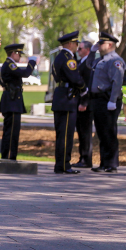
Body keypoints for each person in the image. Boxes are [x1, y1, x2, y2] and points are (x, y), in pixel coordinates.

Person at [51, 31, 87, 174]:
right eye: (76, 43)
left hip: (61, 97)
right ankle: (64, 165)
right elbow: (75, 77)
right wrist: (84, 89)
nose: (77, 46)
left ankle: (60, 164)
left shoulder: (59, 57)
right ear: (70, 44)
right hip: (67, 99)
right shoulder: (68, 58)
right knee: (66, 134)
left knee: (61, 134)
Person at [89, 31, 125, 173]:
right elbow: (88, 64)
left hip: (108, 99)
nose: (99, 45)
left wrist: (112, 100)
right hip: (98, 99)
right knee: (101, 132)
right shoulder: (100, 59)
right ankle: (104, 162)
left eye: (101, 43)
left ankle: (112, 163)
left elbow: (117, 82)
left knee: (109, 131)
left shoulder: (115, 61)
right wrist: (92, 52)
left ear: (110, 44)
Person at [0, 44, 38, 160]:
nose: (20, 56)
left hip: (13, 100)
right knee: (11, 132)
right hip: (12, 101)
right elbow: (25, 74)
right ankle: (9, 157)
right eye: (18, 53)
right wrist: (31, 62)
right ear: (13, 53)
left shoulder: (10, 64)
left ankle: (9, 156)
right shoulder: (10, 64)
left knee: (12, 131)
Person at [73, 40, 94, 168]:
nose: (78, 51)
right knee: (81, 132)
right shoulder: (81, 62)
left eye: (80, 49)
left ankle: (86, 159)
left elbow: (87, 85)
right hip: (79, 102)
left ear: (87, 50)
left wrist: (84, 102)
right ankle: (82, 157)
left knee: (85, 132)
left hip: (85, 104)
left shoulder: (88, 64)